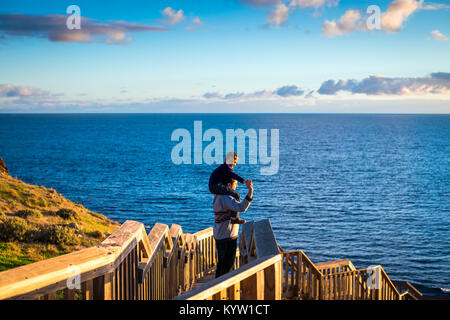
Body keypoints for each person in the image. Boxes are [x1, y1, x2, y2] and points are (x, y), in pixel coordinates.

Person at [213, 177, 253, 278]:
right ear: (229, 186)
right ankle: (222, 291)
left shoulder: (218, 196)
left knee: (221, 266)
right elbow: (241, 207)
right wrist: (250, 191)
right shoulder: (225, 197)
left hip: (220, 235)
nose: (237, 186)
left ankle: (217, 290)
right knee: (227, 268)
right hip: (227, 237)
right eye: (235, 184)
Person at [209, 151, 248, 224]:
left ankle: (232, 216)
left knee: (231, 193)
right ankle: (234, 218)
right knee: (237, 195)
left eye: (235, 162)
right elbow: (233, 175)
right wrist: (243, 181)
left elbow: (228, 177)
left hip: (214, 187)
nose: (233, 164)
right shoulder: (225, 168)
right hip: (216, 186)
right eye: (232, 162)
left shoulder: (222, 168)